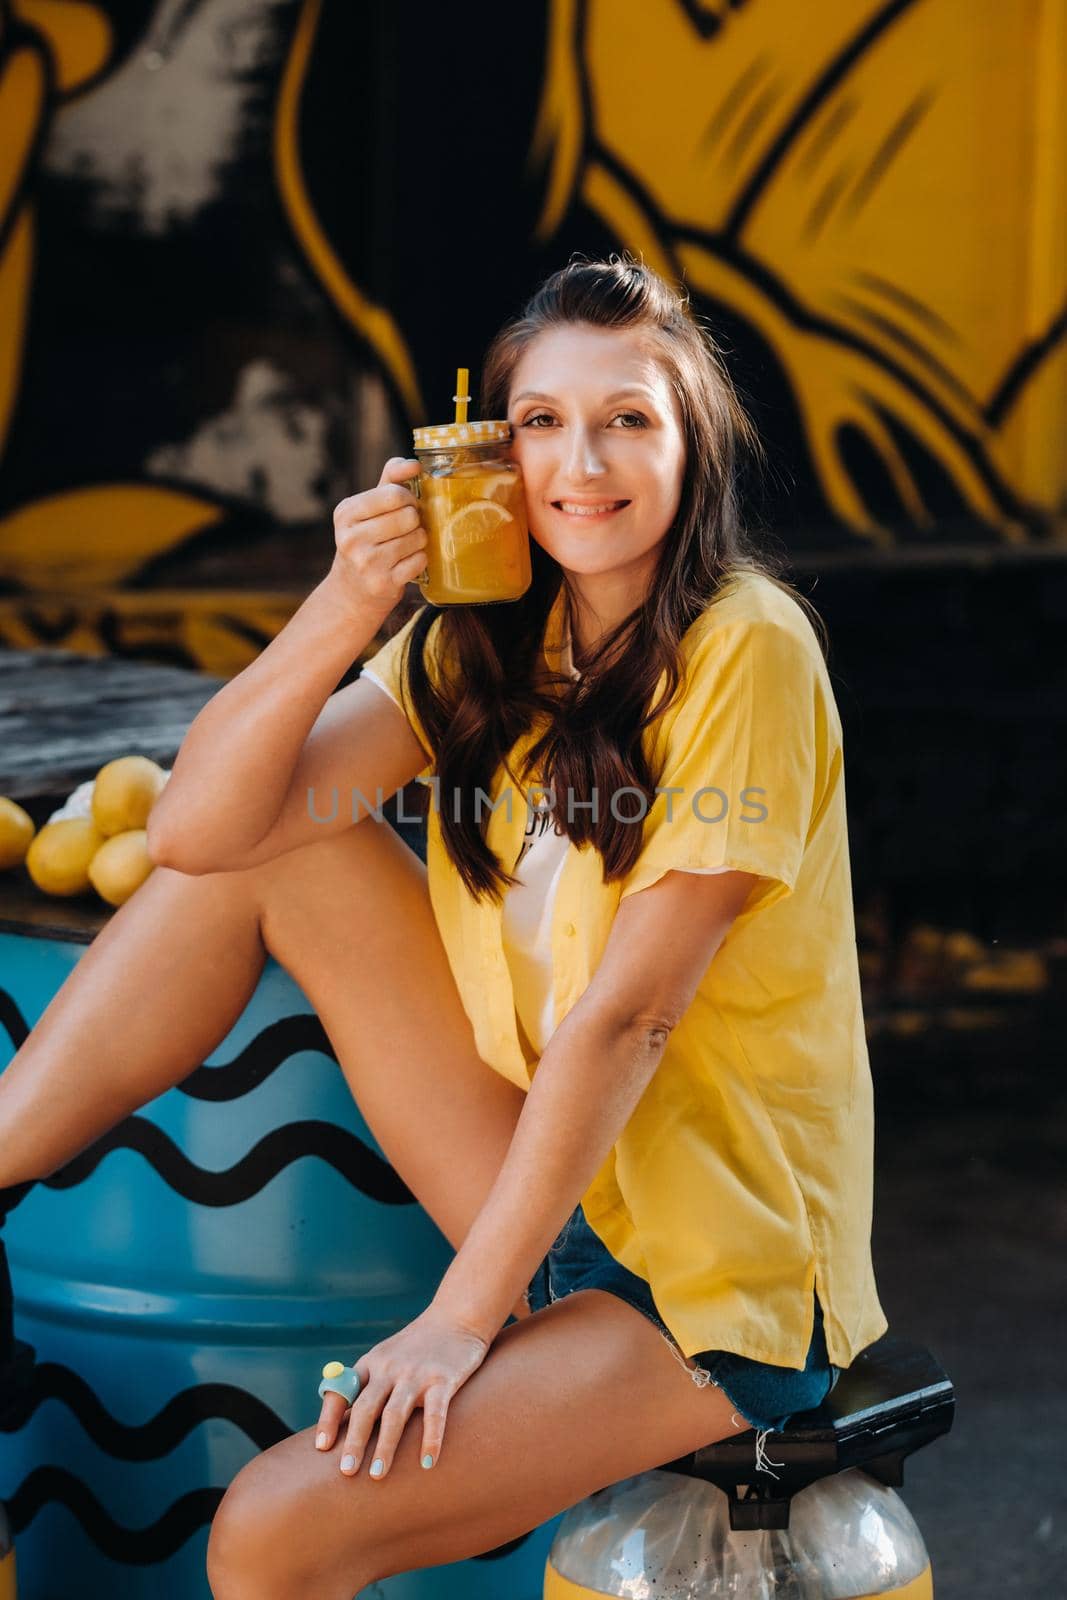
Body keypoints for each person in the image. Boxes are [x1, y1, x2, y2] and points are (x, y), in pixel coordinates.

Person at [0, 258, 887, 1597]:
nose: (582, 462)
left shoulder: (744, 647)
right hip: (555, 1187)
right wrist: (350, 602)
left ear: (692, 440)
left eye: (629, 419)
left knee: (271, 1524)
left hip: (712, 1271)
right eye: (543, 423)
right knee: (278, 857)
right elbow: (198, 832)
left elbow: (632, 1014)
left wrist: (455, 1320)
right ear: (496, 448)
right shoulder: (479, 643)